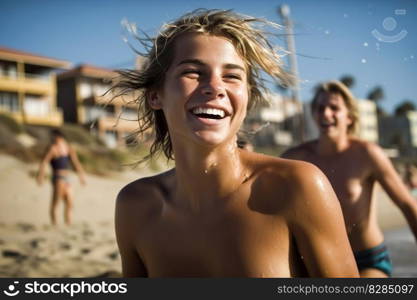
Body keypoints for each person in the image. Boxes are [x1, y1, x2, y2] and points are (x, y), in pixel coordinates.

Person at [114, 9, 358, 277]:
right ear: (155, 96)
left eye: (232, 76)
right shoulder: (136, 206)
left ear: (247, 97)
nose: (215, 87)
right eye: (193, 72)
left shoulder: (296, 187)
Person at [282, 81, 417, 277]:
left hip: (367, 259)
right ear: (314, 115)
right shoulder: (296, 158)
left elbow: (406, 203)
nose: (326, 113)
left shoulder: (367, 154)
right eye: (320, 108)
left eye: (334, 108)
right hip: (315, 261)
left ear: (350, 117)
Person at [37, 129, 86, 225]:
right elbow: (44, 162)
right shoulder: (53, 148)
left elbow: (76, 163)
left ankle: (68, 224)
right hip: (58, 177)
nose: (53, 139)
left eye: (54, 137)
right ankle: (54, 225)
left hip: (68, 177)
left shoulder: (68, 148)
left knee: (70, 202)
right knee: (56, 203)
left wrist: (81, 176)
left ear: (59, 137)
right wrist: (40, 176)